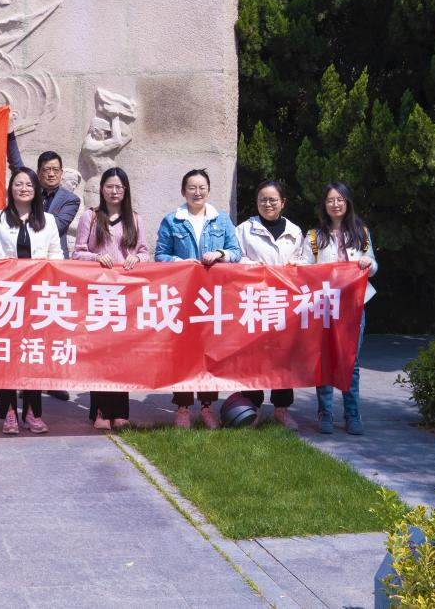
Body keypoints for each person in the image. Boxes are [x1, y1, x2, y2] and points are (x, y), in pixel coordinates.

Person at [154, 168, 242, 429]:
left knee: (210, 352)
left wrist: (221, 254)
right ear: (183, 192)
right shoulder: (172, 220)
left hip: (213, 298)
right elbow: (160, 255)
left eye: (202, 187)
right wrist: (181, 262)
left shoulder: (221, 219)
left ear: (209, 190)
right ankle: (182, 407)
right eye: (192, 188)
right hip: (182, 297)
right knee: (183, 353)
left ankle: (207, 407)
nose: (197, 192)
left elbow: (236, 252)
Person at [0, 167, 63, 435]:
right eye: (18, 184)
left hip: (38, 299)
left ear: (36, 189)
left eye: (29, 184)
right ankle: (8, 412)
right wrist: (6, 263)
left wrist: (43, 265)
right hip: (7, 298)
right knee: (6, 354)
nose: (24, 188)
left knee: (33, 353)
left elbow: (58, 256)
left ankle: (32, 412)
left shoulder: (48, 220)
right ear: (11, 188)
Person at [291, 182, 377, 435]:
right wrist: (296, 264)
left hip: (354, 306)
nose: (335, 204)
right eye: (330, 200)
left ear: (347, 202)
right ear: (324, 205)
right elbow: (306, 266)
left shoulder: (361, 233)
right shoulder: (314, 236)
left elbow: (374, 265)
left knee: (352, 361)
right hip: (324, 307)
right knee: (325, 359)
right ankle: (325, 412)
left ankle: (352, 414)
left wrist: (368, 263)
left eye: (340, 199)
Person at [72, 167, 150, 430]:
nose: (114, 191)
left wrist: (136, 258)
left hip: (126, 295)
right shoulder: (91, 217)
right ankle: (101, 411)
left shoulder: (135, 219)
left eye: (119, 187)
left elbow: (145, 252)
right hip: (99, 294)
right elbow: (77, 253)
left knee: (123, 353)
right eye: (109, 186)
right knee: (101, 353)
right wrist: (96, 257)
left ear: (125, 190)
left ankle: (120, 411)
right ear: (102, 189)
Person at [7, 139, 81, 400]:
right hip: (24, 269)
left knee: (52, 325)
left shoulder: (71, 199)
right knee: (24, 325)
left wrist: (27, 217)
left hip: (53, 270)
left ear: (61, 172)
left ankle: (52, 379)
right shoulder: (29, 190)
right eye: (46, 169)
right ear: (38, 173)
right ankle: (24, 379)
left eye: (55, 170)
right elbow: (17, 166)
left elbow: (56, 227)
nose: (51, 174)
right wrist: (10, 136)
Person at [234, 180, 304, 431]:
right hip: (253, 302)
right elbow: (236, 258)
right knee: (253, 357)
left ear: (283, 203)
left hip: (284, 303)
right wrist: (255, 269)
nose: (267, 204)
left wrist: (294, 268)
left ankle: (281, 409)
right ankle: (251, 407)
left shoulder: (295, 231)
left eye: (273, 199)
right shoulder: (244, 229)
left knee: (283, 356)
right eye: (262, 199)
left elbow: (302, 262)